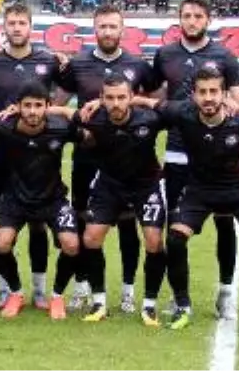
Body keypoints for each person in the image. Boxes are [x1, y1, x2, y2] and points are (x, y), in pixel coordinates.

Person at [136, 67, 239, 335]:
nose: (208, 98)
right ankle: (183, 306)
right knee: (175, 238)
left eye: (214, 92)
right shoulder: (183, 113)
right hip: (199, 190)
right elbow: (151, 102)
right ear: (193, 96)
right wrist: (122, 100)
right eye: (203, 92)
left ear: (224, 95)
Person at [149, 0, 239, 318]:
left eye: (197, 16)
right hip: (178, 154)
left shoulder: (225, 57)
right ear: (179, 19)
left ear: (209, 19)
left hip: (219, 157)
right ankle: (180, 297)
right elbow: (157, 100)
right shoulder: (165, 55)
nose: (191, 21)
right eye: (186, 16)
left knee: (224, 224)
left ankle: (225, 292)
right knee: (175, 228)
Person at [53, 5, 155, 314]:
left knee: (126, 225)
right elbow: (59, 103)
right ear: (94, 29)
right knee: (85, 222)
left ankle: (127, 290)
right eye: (102, 27)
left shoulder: (137, 65)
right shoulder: (78, 64)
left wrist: (109, 101)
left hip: (126, 159)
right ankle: (83, 285)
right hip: (87, 155)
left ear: (122, 30)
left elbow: (155, 103)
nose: (107, 32)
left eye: (113, 27)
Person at [0, 2, 62, 309]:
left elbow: (66, 90)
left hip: (40, 159)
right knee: (2, 222)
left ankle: (38, 288)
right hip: (3, 153)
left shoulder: (48, 60)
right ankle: (5, 286)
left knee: (38, 226)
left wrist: (55, 117)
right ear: (4, 28)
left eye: (22, 22)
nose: (17, 27)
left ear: (30, 26)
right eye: (12, 23)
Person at [75, 75, 169, 327]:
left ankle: (149, 305)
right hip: (109, 185)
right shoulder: (93, 117)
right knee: (91, 237)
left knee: (153, 240)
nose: (115, 103)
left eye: (121, 97)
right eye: (109, 98)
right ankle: (99, 302)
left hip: (146, 186)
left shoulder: (149, 119)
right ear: (101, 99)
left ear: (130, 98)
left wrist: (145, 102)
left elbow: (180, 111)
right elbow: (62, 111)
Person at [0, 82, 82, 321]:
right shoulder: (3, 127)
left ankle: (57, 296)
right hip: (15, 199)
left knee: (71, 244)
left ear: (47, 107)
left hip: (53, 199)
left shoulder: (61, 128)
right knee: (1, 243)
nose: (32, 111)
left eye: (38, 106)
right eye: (27, 105)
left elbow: (85, 122)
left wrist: (60, 111)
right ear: (17, 107)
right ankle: (16, 293)